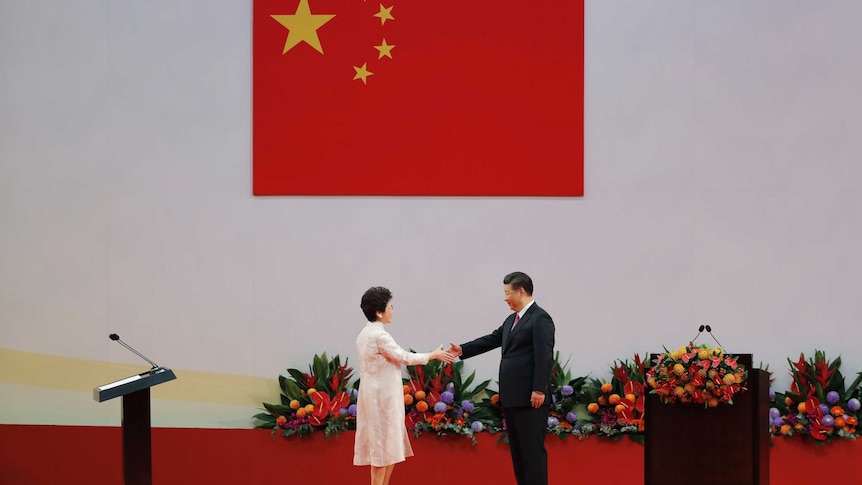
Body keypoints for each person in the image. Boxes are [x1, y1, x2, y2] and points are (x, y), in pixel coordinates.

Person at [448, 272, 555, 485]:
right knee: (519, 456)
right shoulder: (512, 320)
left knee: (532, 455)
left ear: (521, 291)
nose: (505, 298)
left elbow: (545, 356)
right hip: (513, 399)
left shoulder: (540, 318)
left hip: (531, 400)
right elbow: (492, 339)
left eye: (507, 293)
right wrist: (462, 349)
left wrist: (539, 389)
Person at [353, 286, 455, 485]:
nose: (393, 310)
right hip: (382, 400)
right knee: (381, 453)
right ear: (379, 312)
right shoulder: (379, 336)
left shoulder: (364, 334)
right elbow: (403, 357)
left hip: (378, 398)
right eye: (390, 307)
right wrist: (432, 355)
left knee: (386, 450)